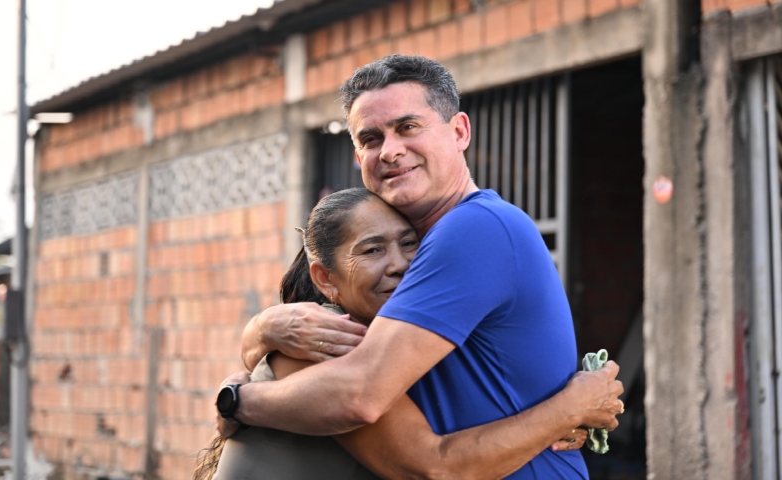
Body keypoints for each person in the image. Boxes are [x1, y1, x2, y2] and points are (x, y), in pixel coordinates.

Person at [218, 55, 624, 479]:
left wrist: (237, 401)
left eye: (408, 127)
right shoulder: (413, 261)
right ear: (358, 156)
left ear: (460, 131)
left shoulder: (475, 228)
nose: (390, 151)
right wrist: (261, 331)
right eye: (371, 139)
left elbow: (360, 395)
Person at [197, 187, 597, 479]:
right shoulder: (322, 340)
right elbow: (434, 466)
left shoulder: (392, 343)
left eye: (411, 245)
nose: (401, 265)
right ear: (325, 279)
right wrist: (568, 407)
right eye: (372, 250)